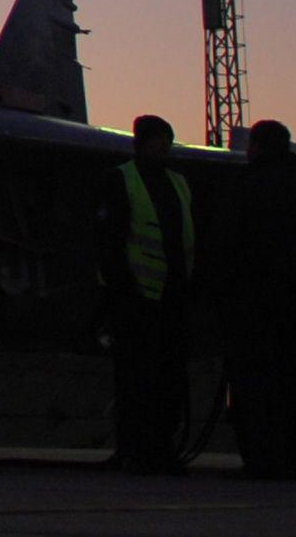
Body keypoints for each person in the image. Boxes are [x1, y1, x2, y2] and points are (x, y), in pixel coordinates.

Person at [220, 119, 296, 479]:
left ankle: (264, 459)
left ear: (255, 147)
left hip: (254, 306)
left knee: (256, 383)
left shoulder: (245, 188)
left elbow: (228, 245)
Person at [96, 113, 197, 473]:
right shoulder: (120, 180)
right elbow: (109, 242)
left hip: (171, 298)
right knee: (134, 380)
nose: (163, 147)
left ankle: (160, 448)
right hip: (134, 300)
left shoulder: (180, 184)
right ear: (142, 143)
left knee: (168, 380)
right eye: (157, 140)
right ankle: (133, 449)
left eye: (167, 141)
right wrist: (121, 290)